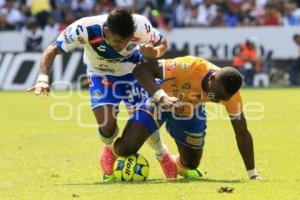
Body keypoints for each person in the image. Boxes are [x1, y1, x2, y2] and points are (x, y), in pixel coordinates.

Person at [27, 8, 179, 180]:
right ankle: (110, 147)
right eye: (117, 41)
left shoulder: (140, 25)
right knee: (106, 124)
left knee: (142, 121)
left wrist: (156, 52)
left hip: (133, 73)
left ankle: (162, 155)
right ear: (106, 31)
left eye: (126, 41)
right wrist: (42, 78)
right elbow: (52, 49)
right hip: (101, 75)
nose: (122, 46)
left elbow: (163, 41)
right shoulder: (84, 28)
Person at [113, 56, 261, 180]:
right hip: (160, 100)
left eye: (224, 98)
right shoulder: (187, 66)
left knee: (191, 163)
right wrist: (162, 97)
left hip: (189, 110)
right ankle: (110, 148)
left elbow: (242, 132)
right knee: (127, 148)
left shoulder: (231, 96)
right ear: (212, 79)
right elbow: (141, 69)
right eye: (218, 95)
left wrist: (252, 174)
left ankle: (171, 160)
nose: (218, 100)